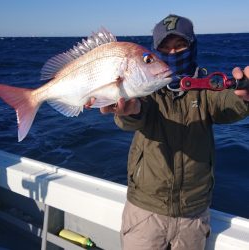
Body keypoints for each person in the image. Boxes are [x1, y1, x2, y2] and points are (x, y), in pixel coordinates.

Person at [95, 14, 249, 250]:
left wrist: (244, 98)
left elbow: (227, 105)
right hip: (146, 210)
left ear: (192, 46)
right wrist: (129, 111)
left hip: (193, 214)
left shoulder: (206, 87)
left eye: (180, 45)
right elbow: (134, 114)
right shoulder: (143, 85)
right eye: (165, 48)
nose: (173, 53)